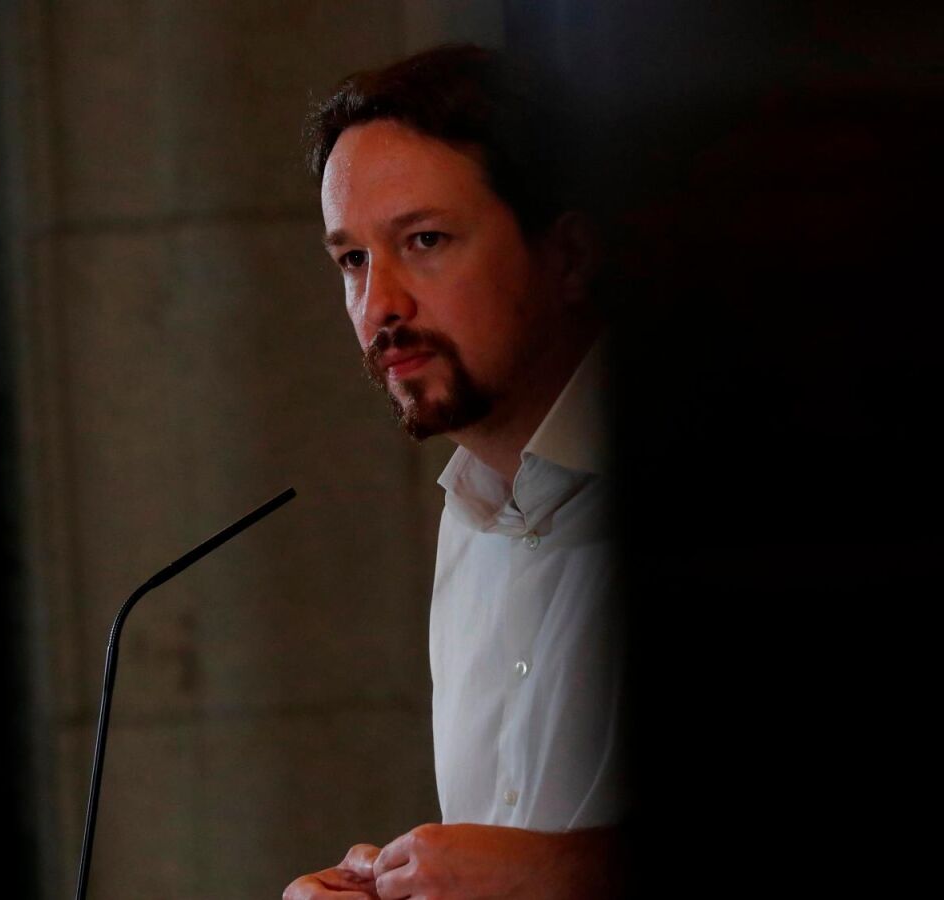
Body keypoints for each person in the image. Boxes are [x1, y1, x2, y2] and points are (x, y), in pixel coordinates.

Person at [282, 45, 626, 900]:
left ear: (570, 255)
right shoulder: (471, 518)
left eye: (424, 241)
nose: (380, 306)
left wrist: (565, 874)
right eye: (353, 261)